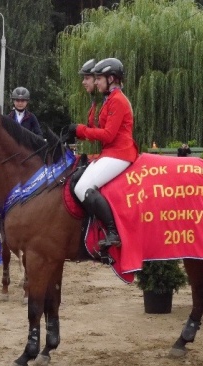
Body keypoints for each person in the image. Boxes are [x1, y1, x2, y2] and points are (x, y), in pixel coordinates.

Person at [62, 57, 136, 264]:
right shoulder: (108, 99)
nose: (96, 81)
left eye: (99, 78)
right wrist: (76, 133)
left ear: (111, 78)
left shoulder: (118, 100)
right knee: (76, 181)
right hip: (111, 153)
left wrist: (80, 130)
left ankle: (113, 232)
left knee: (83, 188)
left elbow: (109, 134)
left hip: (120, 153)